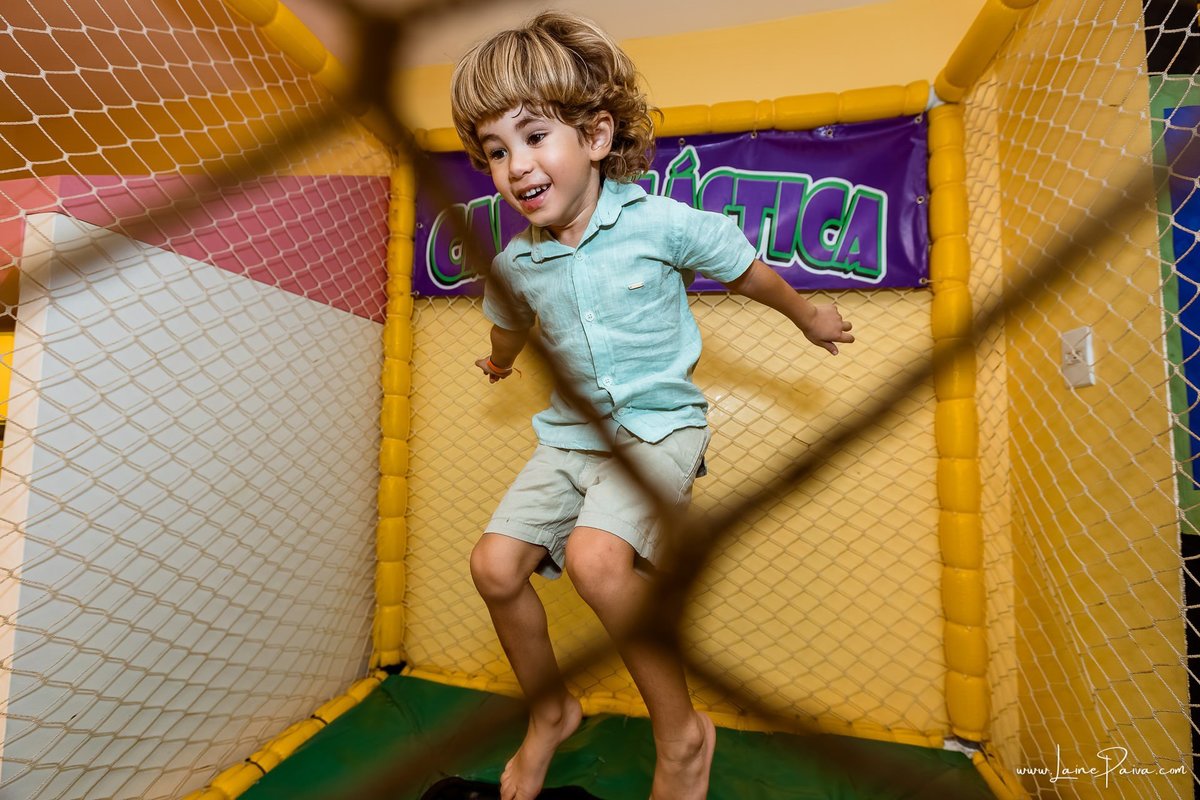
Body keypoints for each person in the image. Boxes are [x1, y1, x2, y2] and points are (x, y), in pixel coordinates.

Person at [450, 12, 853, 800]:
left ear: (596, 136)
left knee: (602, 563)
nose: (515, 165)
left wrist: (809, 317)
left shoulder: (660, 222)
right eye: (497, 150)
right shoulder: (514, 263)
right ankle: (551, 713)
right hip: (570, 438)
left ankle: (682, 736)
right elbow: (510, 326)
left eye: (535, 137)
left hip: (658, 427)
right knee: (493, 567)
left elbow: (745, 268)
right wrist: (500, 364)